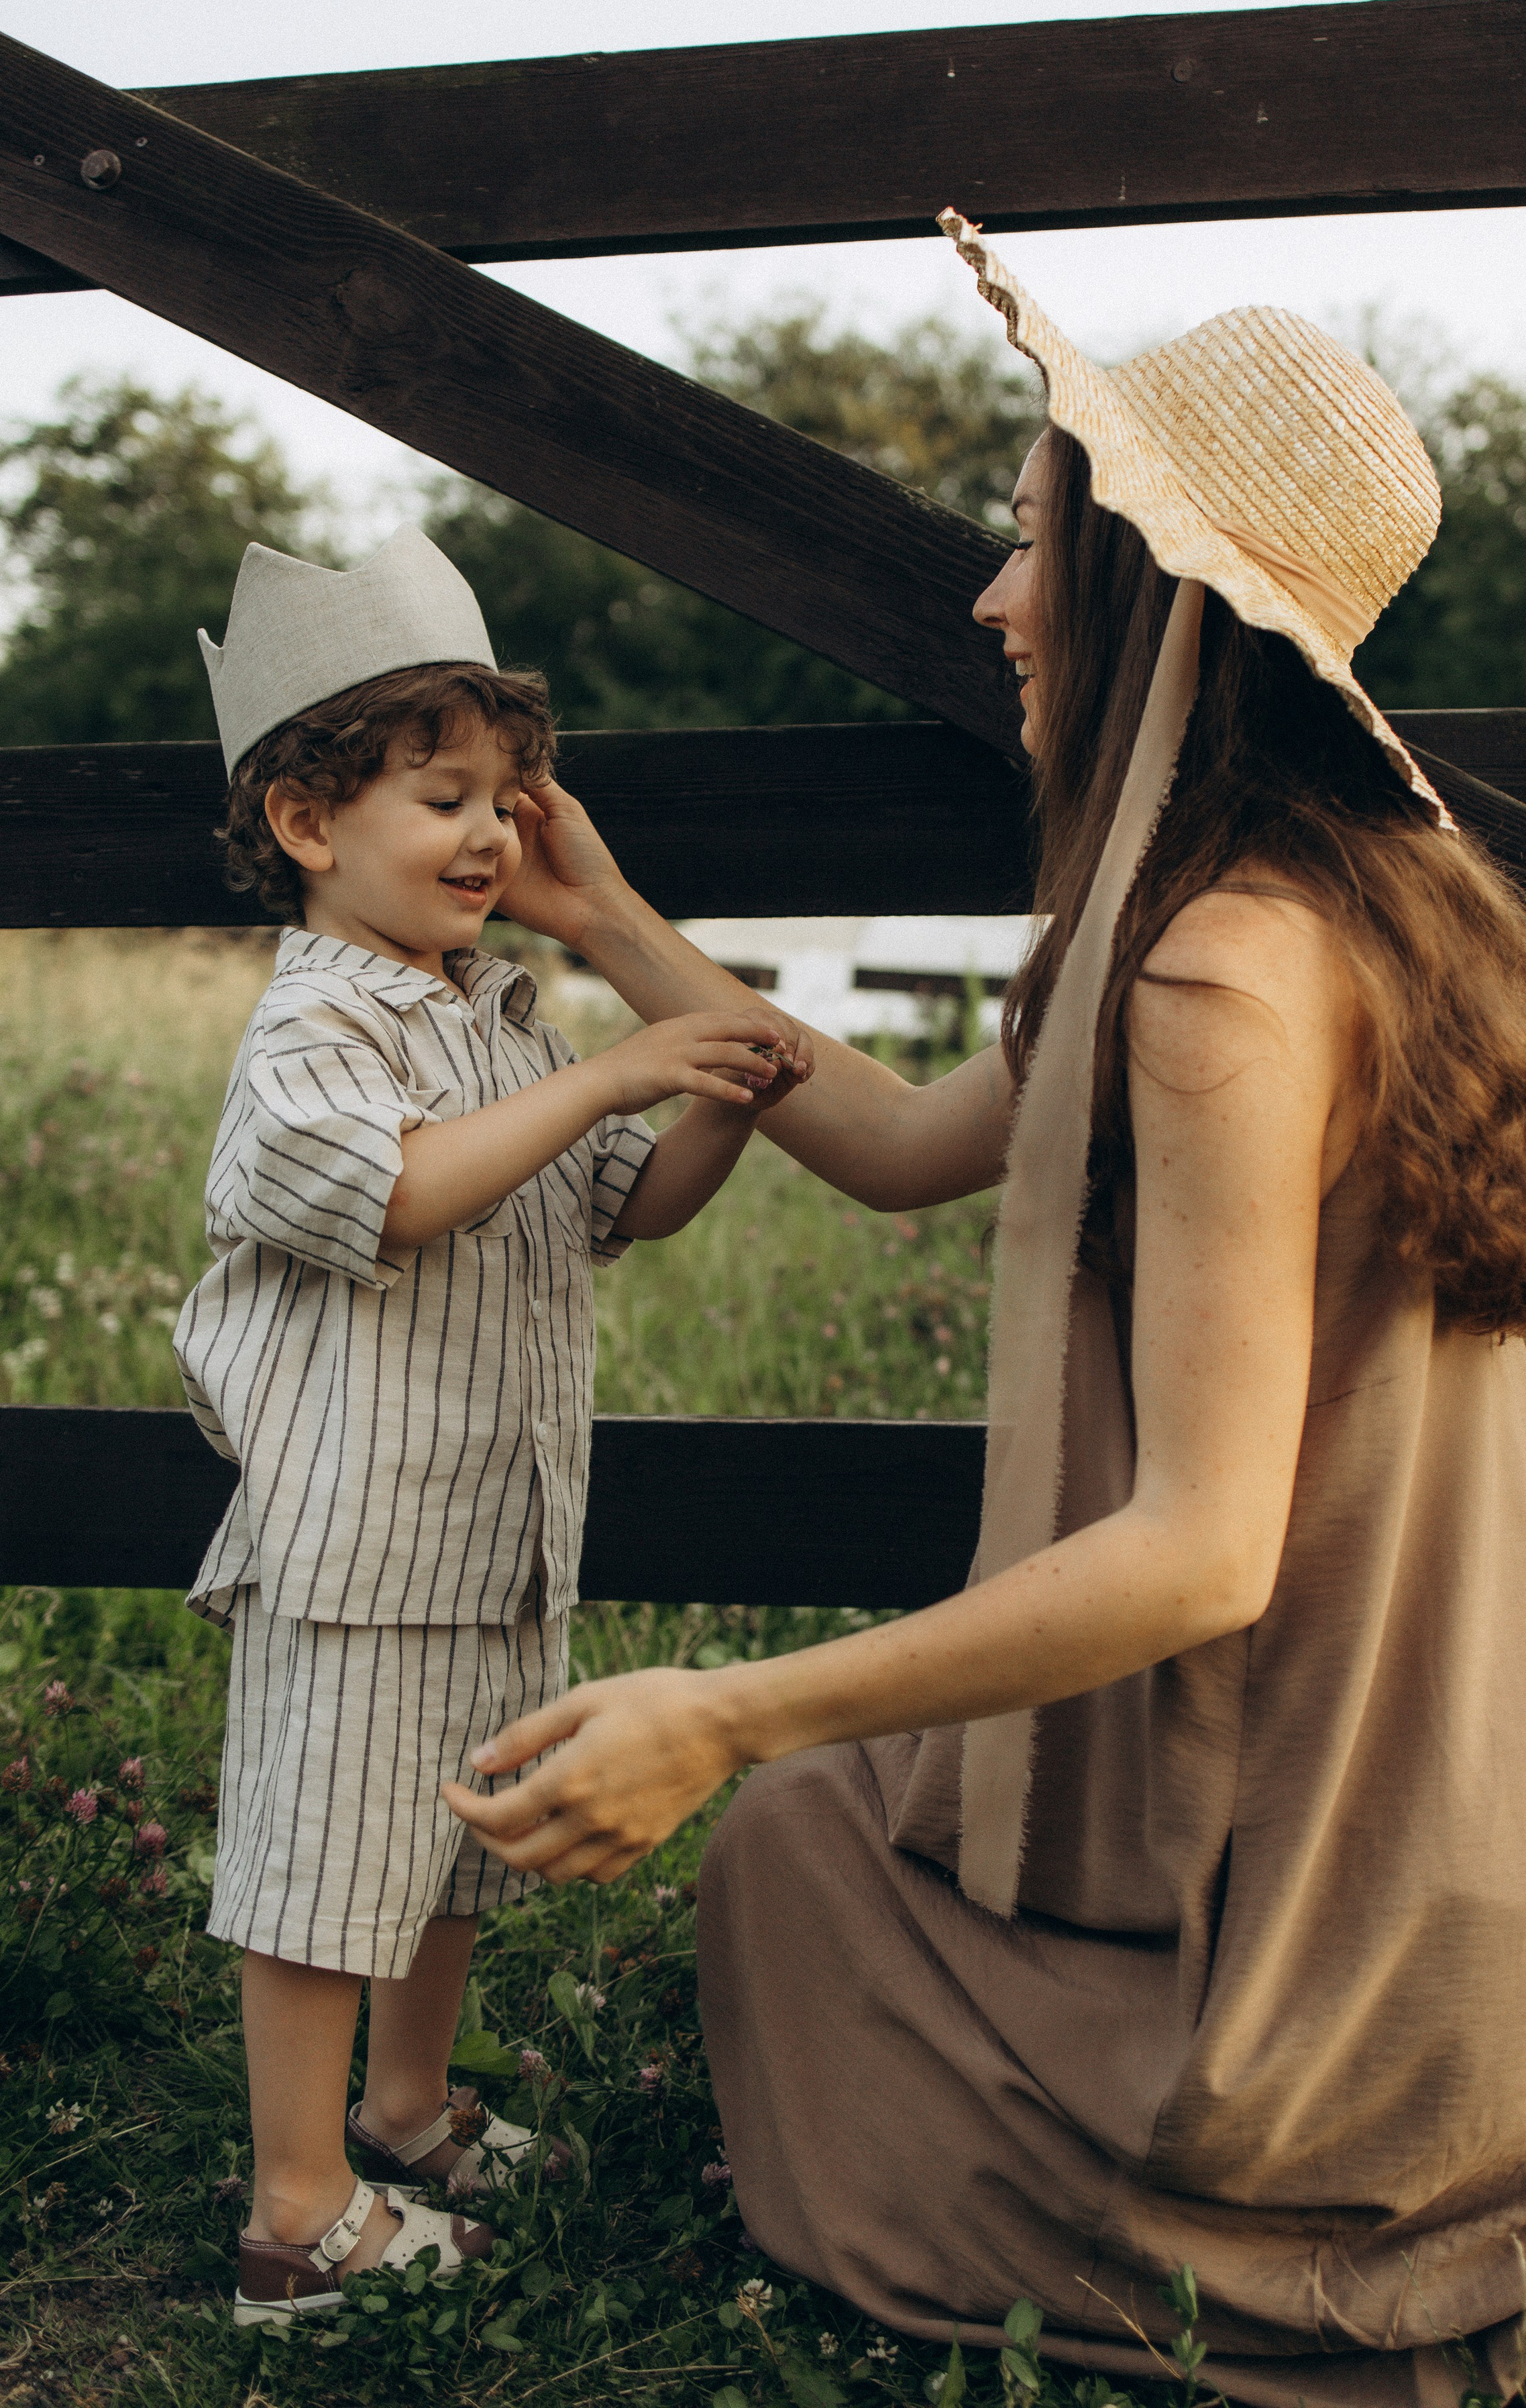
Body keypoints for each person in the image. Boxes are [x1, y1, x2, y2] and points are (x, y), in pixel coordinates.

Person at [447, 223, 1526, 2405]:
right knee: (835, 1852)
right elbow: (894, 1135)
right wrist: (613, 918)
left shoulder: (1223, 976)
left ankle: (1379, 2260)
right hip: (1487, 1867)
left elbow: (1207, 1549)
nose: (993, 598)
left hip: (1366, 1908)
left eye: (1031, 543)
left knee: (794, 1852)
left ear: (1157, 598)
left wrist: (730, 1709)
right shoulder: (1292, 905)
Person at [173, 526, 806, 2324]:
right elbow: (385, 1195)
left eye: (508, 800)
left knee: (451, 1844)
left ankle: (406, 2109)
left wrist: (716, 1089)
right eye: (444, 796)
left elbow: (623, 1197)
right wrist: (617, 1065)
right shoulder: (317, 1023)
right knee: (322, 1871)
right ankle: (294, 2217)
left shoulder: (492, 1018)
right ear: (308, 823)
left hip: (495, 1526)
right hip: (357, 1540)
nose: (487, 838)